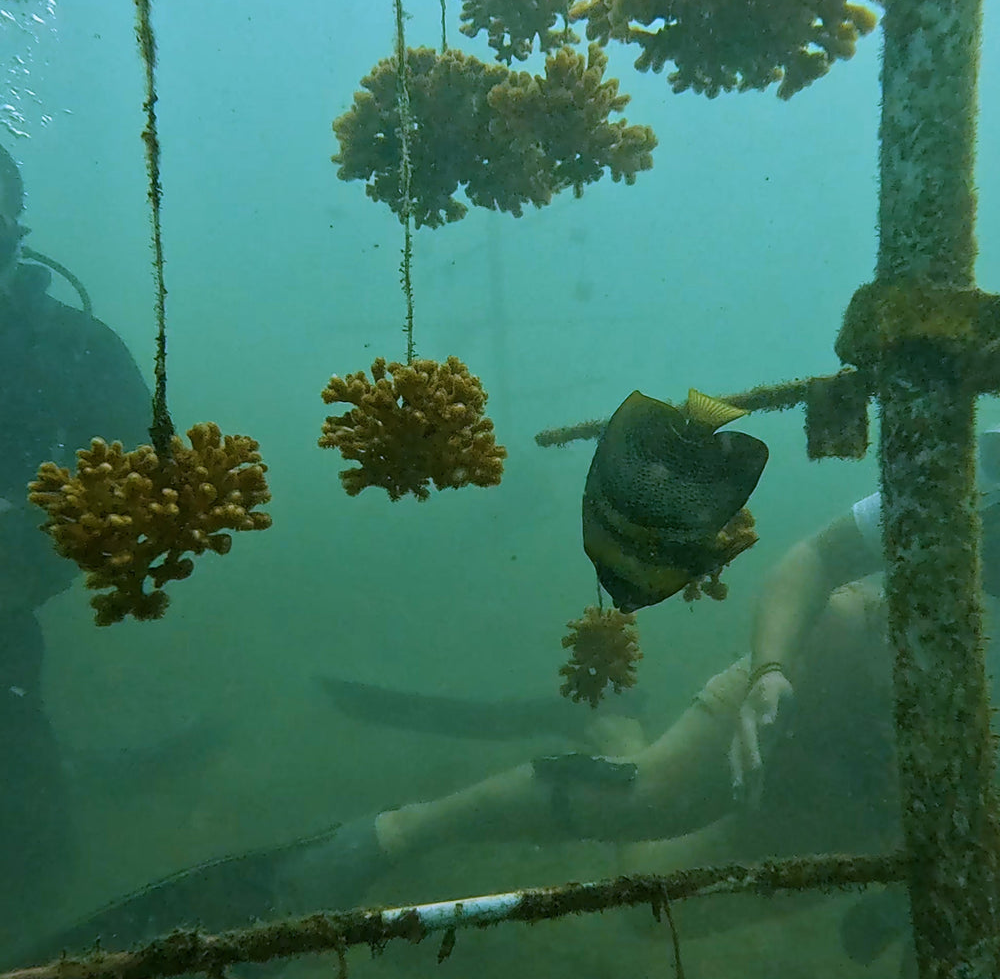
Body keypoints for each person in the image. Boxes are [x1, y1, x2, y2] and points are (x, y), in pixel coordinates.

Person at [20, 429, 1000, 970]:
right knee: (650, 795)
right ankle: (387, 836)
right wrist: (776, 670)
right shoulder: (984, 466)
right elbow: (819, 555)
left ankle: (605, 718)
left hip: (931, 774)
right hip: (839, 681)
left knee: (661, 908)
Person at [0, 142, 151, 946]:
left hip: (6, 615)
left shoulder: (75, 348)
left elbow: (147, 482)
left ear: (15, 229)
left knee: (29, 848)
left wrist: (41, 545)